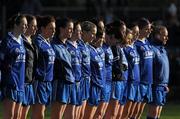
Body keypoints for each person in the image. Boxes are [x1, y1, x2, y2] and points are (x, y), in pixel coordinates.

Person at [0, 13, 27, 119]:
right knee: (9, 115)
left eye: (26, 25)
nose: (26, 27)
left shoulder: (21, 41)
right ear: (16, 25)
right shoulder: (6, 42)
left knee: (17, 116)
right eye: (24, 24)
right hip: (10, 83)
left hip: (20, 84)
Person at [31, 15, 56, 119]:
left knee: (42, 112)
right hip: (40, 82)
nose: (54, 31)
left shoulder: (48, 42)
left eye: (54, 28)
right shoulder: (38, 42)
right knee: (39, 114)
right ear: (42, 28)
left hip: (48, 82)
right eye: (51, 28)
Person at [50, 17, 75, 119]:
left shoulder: (66, 46)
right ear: (61, 29)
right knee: (57, 116)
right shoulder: (54, 45)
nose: (71, 31)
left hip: (68, 82)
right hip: (59, 83)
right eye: (69, 28)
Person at [104, 20, 128, 119]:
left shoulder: (117, 47)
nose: (124, 33)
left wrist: (122, 67)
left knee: (116, 113)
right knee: (109, 113)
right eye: (122, 31)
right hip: (111, 82)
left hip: (119, 80)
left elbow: (123, 64)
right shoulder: (106, 48)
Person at [133, 18, 153, 119]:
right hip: (140, 82)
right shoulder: (136, 44)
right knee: (134, 112)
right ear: (139, 30)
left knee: (140, 112)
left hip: (148, 81)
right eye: (147, 29)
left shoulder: (147, 42)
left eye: (150, 29)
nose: (149, 31)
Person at [147, 25, 169, 119]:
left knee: (158, 113)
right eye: (164, 35)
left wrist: (165, 84)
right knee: (153, 113)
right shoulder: (151, 48)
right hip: (155, 85)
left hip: (162, 86)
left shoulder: (163, 50)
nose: (166, 38)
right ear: (157, 35)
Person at [20, 14, 38, 119]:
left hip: (30, 82)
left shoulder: (33, 42)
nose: (35, 28)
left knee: (25, 115)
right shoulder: (20, 41)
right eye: (33, 25)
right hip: (22, 83)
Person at [122, 25, 141, 119]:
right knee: (126, 112)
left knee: (133, 112)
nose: (130, 40)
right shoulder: (124, 49)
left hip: (136, 82)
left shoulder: (134, 48)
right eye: (128, 37)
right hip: (130, 82)